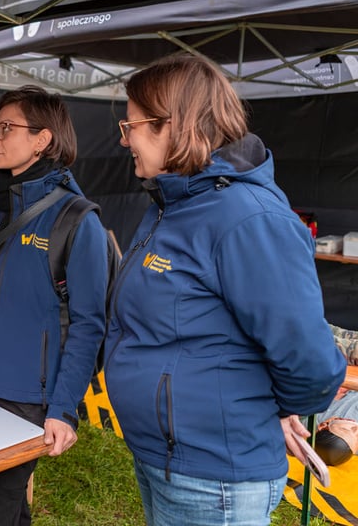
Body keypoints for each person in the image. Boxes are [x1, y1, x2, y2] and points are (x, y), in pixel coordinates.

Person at [103, 54, 347, 526]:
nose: (122, 138)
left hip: (214, 476)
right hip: (166, 459)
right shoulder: (171, 204)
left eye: (129, 125)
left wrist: (267, 410)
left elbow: (311, 362)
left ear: (173, 125)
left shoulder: (248, 219)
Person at [0, 85, 109, 526]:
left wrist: (64, 408)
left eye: (5, 128)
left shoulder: (76, 220)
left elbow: (89, 324)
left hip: (24, 398)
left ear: (42, 140)